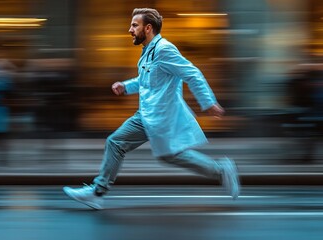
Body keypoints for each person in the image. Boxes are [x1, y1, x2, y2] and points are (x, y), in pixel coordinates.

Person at [63, 8, 240, 210]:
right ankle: (97, 192)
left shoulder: (165, 49)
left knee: (150, 151)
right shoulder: (148, 52)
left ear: (148, 28)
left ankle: (97, 192)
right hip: (146, 114)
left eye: (134, 25)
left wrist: (208, 102)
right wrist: (126, 86)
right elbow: (146, 80)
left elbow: (193, 74)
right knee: (119, 143)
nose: (130, 29)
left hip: (162, 116)